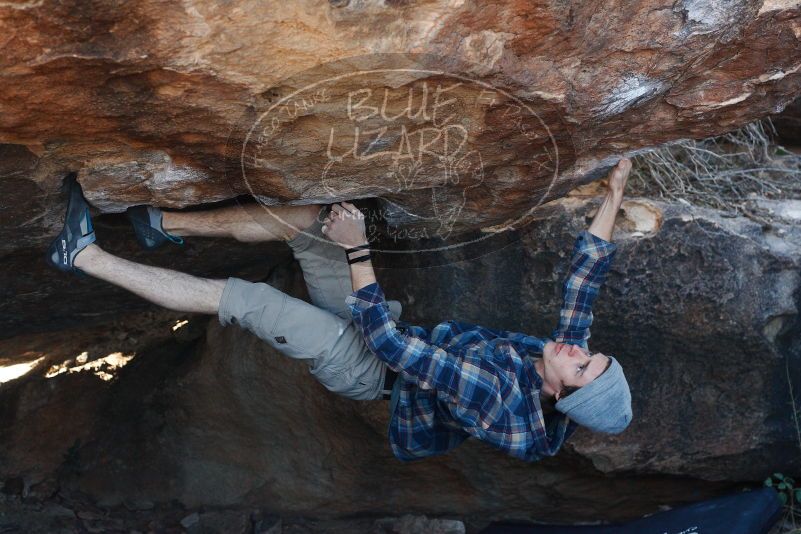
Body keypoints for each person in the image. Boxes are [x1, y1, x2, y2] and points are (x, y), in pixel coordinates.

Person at [46, 158, 632, 462]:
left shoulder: (503, 403)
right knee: (311, 222)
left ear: (562, 395)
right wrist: (614, 195)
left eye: (580, 367)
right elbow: (583, 285)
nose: (578, 351)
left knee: (248, 301)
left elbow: (390, 349)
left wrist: (359, 247)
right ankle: (161, 224)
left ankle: (84, 255)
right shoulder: (561, 362)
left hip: (371, 367)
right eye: (591, 355)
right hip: (392, 331)